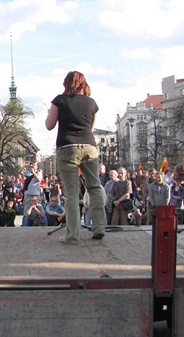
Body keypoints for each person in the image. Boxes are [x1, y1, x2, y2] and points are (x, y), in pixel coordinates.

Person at [45, 71, 106, 244]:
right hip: (89, 147)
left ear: (67, 84)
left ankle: (72, 236)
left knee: (71, 193)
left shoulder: (59, 100)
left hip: (67, 147)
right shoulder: (92, 103)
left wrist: (50, 112)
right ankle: (99, 227)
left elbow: (49, 125)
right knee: (94, 187)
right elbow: (91, 128)